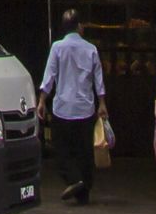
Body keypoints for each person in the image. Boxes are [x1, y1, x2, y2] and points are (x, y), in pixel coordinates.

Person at [38, 13, 107, 204]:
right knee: (85, 151)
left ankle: (74, 179)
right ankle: (84, 191)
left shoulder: (57, 48)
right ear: (79, 26)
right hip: (85, 107)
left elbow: (49, 75)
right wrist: (102, 103)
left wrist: (42, 100)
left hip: (63, 107)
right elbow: (98, 79)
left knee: (62, 150)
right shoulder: (91, 49)